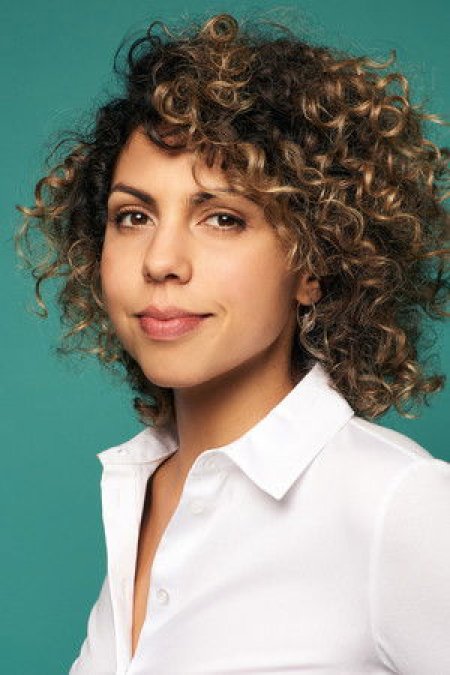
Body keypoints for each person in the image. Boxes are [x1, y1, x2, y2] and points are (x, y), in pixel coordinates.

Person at [15, 12, 450, 675]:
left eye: (222, 218)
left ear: (313, 263)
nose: (161, 260)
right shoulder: (138, 489)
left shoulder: (397, 503)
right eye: (133, 216)